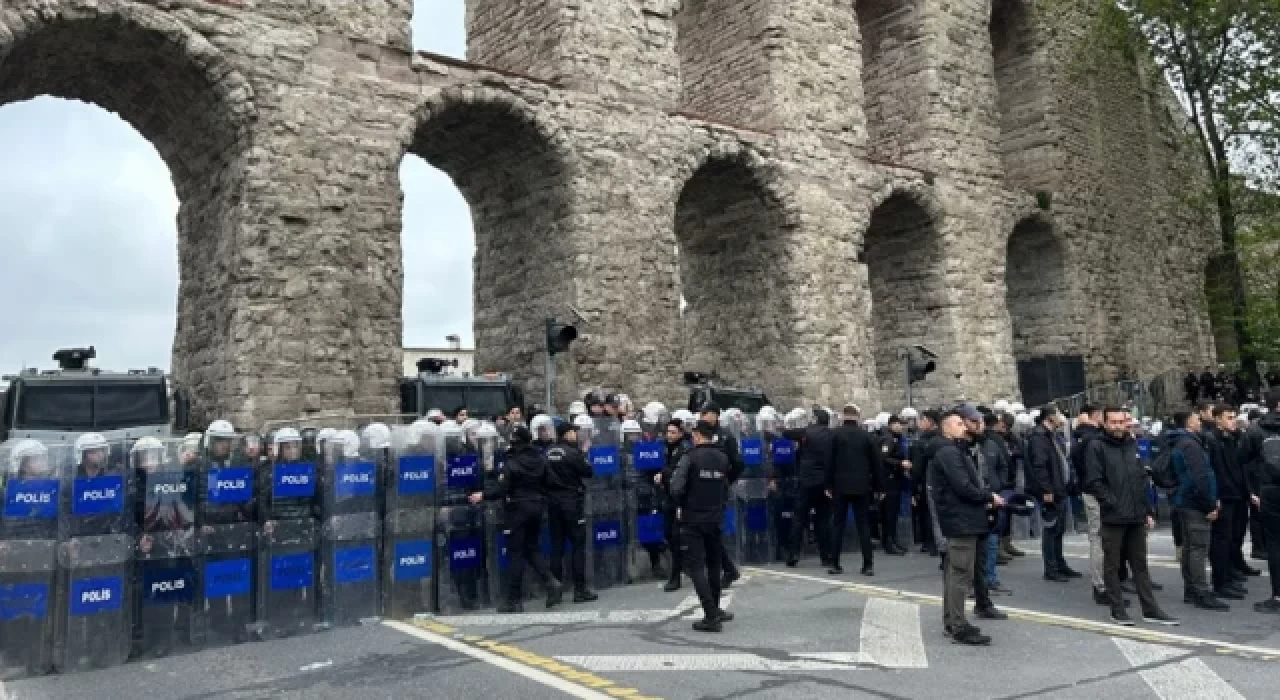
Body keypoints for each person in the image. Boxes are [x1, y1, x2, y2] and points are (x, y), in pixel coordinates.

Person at [1084, 406, 1179, 626]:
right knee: (1112, 565)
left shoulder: (1131, 444)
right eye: (1113, 422)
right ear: (1104, 423)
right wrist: (1112, 503)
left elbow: (1140, 479)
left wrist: (1148, 510)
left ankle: (1150, 609)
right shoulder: (1096, 446)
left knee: (1140, 565)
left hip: (1136, 515)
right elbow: (1094, 482)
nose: (1118, 426)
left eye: (1121, 421)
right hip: (1113, 516)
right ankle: (1117, 610)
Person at [932, 409, 1006, 646]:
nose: (963, 427)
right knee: (960, 573)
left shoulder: (954, 450)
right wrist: (988, 497)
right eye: (958, 424)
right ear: (946, 428)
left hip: (965, 519)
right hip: (961, 520)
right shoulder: (948, 452)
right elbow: (963, 486)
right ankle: (957, 625)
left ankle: (952, 621)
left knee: (957, 572)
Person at [468, 426, 562, 612]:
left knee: (515, 553)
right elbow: (552, 482)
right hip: (537, 507)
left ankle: (514, 600)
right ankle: (551, 582)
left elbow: (502, 488)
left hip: (517, 510)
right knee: (532, 548)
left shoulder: (512, 462)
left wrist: (483, 495)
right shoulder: (540, 459)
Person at [669, 421, 733, 632]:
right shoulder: (722, 458)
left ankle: (710, 615)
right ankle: (716, 608)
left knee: (696, 567)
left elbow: (676, 487)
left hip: (693, 518)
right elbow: (725, 488)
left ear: (697, 436)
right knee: (714, 564)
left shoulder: (690, 457)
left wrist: (680, 504)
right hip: (715, 517)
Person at [1167, 411, 1227, 610]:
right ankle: (1201, 592)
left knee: (1190, 547)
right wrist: (1209, 505)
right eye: (1196, 419)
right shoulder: (1190, 445)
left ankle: (1191, 590)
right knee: (1198, 548)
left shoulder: (1181, 442)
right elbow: (1199, 477)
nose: (1199, 422)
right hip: (1195, 503)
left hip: (1186, 501)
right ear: (1188, 423)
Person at [544, 422, 598, 603]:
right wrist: (584, 454)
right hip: (571, 502)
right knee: (577, 545)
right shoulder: (572, 453)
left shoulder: (547, 452)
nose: (575, 435)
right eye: (573, 432)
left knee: (557, 547)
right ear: (566, 434)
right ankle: (580, 590)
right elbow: (588, 471)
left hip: (553, 503)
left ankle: (555, 591)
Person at [826, 404, 882, 576]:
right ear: (857, 417)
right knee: (863, 525)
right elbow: (876, 463)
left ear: (843, 416)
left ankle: (834, 563)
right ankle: (868, 564)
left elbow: (829, 462)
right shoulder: (866, 436)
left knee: (838, 524)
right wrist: (879, 487)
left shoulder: (834, 435)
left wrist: (828, 485)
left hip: (840, 485)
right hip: (861, 485)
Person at [1027, 405, 1079, 582]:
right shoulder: (1039, 438)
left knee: (1059, 529)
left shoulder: (1052, 435)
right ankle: (1051, 568)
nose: (1061, 417)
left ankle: (1059, 563)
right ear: (1049, 417)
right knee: (1051, 529)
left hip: (1060, 489)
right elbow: (1040, 466)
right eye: (1058, 414)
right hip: (1051, 491)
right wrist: (1046, 490)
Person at [1239, 391, 1280, 612]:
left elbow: (1242, 458)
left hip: (1271, 491)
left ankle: (1278, 596)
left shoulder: (1256, 430)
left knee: (1275, 544)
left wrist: (1254, 488)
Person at [698, 404, 743, 587]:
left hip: (717, 489)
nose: (703, 417)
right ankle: (727, 569)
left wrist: (726, 481)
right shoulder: (700, 433)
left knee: (711, 531)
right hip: (701, 488)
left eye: (706, 414)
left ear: (715, 415)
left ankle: (727, 569)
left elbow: (737, 463)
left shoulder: (725, 436)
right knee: (708, 532)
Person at [1208, 405, 1250, 601]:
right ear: (1218, 419)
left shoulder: (1231, 438)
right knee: (1221, 539)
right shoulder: (1214, 440)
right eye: (1229, 417)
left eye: (1234, 417)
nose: (1233, 421)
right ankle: (1220, 581)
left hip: (1237, 493)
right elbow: (1217, 471)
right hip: (1225, 495)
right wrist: (1217, 496)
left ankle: (1229, 574)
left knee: (1233, 535)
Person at [785, 407, 835, 567]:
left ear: (815, 419)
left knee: (799, 517)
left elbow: (787, 434)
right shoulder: (831, 435)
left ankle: (793, 553)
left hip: (806, 481)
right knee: (823, 519)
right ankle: (826, 555)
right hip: (824, 481)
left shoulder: (807, 432)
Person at [1071, 405, 1108, 603]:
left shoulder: (1083, 438)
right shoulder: (1092, 440)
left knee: (1100, 537)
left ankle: (1103, 582)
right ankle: (1100, 585)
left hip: (1090, 489)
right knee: (1099, 537)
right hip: (1095, 491)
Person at [976, 411, 1013, 595]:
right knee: (976, 545)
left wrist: (999, 486)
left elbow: (1003, 465)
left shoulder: (991, 444)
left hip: (994, 497)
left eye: (981, 423)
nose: (980, 426)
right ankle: (977, 583)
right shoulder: (966, 448)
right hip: (976, 499)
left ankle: (990, 579)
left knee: (991, 541)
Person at [658, 419, 690, 591]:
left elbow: (678, 473)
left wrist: (663, 475)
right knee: (669, 536)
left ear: (680, 433)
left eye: (673, 432)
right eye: (668, 432)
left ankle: (676, 576)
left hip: (679, 499)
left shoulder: (684, 450)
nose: (669, 435)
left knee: (676, 537)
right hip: (668, 498)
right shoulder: (666, 448)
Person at [911, 410, 943, 557]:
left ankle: (931, 542)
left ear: (929, 422)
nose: (919, 423)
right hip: (940, 481)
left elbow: (918, 466)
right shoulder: (942, 439)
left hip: (926, 481)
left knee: (928, 512)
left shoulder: (922, 441)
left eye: (922, 420)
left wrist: (914, 486)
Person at [877, 416, 911, 556]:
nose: (900, 427)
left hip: (894, 479)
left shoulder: (895, 439)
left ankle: (892, 540)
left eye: (901, 424)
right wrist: (900, 463)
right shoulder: (888, 439)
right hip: (889, 480)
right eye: (897, 424)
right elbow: (883, 458)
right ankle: (889, 542)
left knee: (892, 512)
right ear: (890, 425)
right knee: (890, 513)